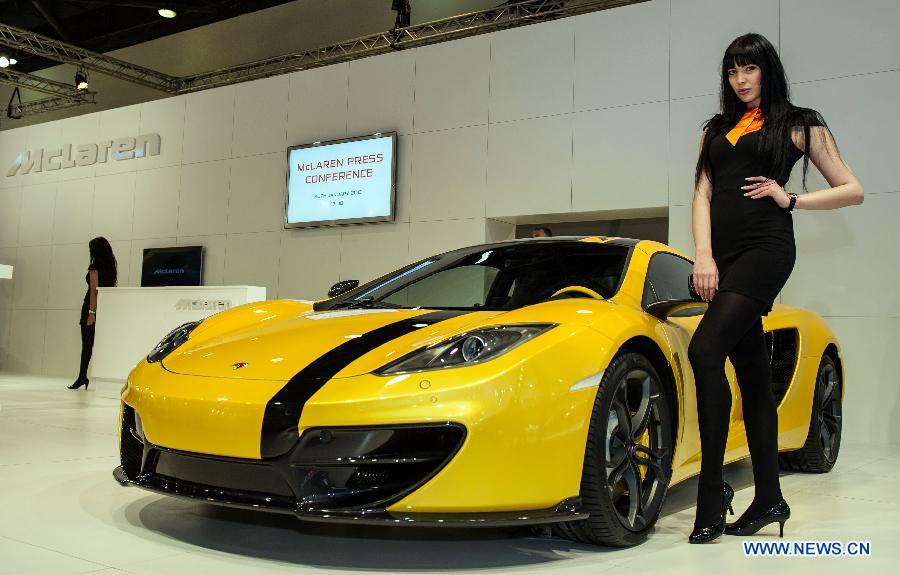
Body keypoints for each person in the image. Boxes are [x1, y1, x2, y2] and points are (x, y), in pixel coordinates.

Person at [687, 33, 863, 543]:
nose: (740, 80)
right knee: (752, 376)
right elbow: (701, 195)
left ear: (768, 70)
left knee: (704, 350)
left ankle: (712, 488)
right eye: (732, 72)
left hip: (767, 250)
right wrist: (703, 255)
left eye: (750, 69)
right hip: (724, 256)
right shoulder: (715, 130)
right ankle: (768, 498)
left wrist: (791, 199)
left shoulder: (800, 122)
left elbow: (852, 190)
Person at [68, 237, 117, 390]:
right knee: (100, 344)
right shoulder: (111, 267)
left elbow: (94, 292)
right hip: (106, 309)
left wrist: (91, 313)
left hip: (92, 308)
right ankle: (87, 377)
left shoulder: (94, 267)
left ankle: (82, 377)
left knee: (87, 345)